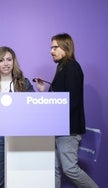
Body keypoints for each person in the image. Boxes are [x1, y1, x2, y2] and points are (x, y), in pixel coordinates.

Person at [35, 33, 98, 188]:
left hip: (68, 131)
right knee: (55, 169)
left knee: (70, 169)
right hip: (60, 129)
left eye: (55, 47)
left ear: (66, 47)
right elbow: (58, 100)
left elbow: (72, 101)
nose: (51, 51)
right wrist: (44, 91)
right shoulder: (62, 67)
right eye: (51, 47)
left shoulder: (71, 66)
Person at [0, 46, 34, 188]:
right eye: (1, 60)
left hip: (19, 137)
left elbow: (33, 105)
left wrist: (40, 93)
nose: (6, 63)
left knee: (17, 182)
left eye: (9, 60)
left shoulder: (23, 82)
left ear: (13, 62)